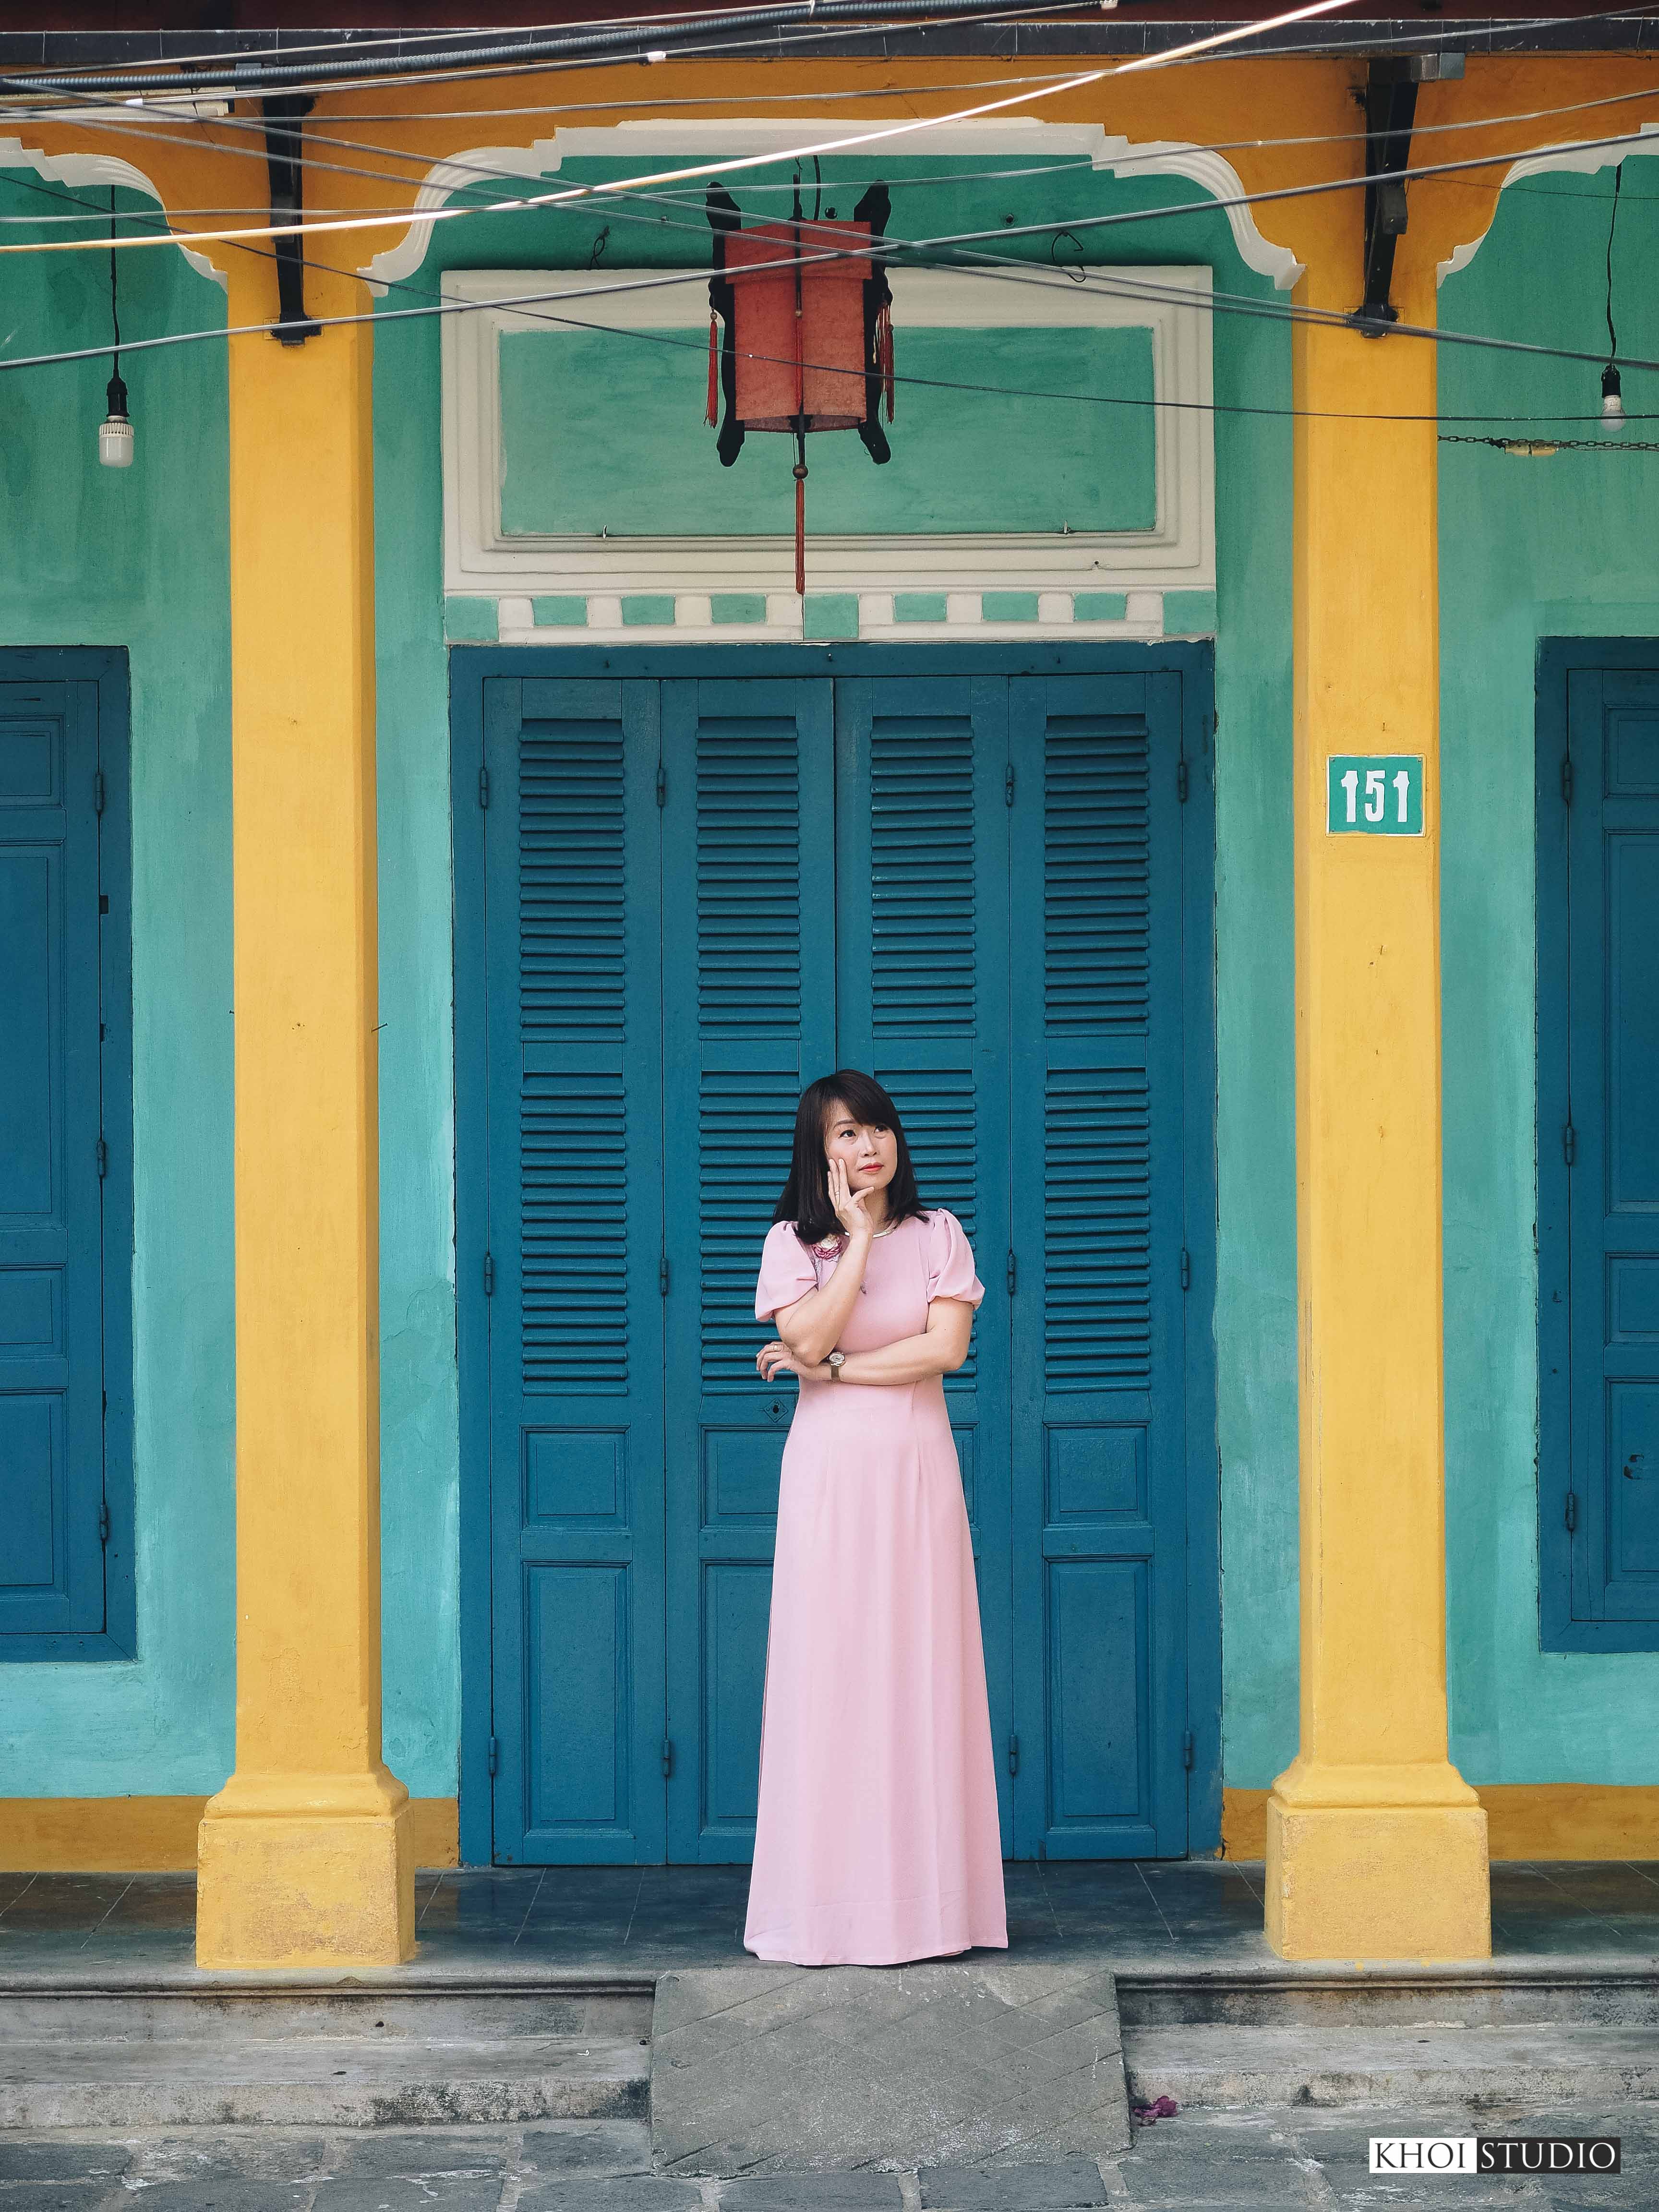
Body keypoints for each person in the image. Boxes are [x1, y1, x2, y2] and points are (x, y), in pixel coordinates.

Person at [744, 1069, 1008, 1967]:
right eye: (846, 1134)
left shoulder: (940, 1233)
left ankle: (932, 1914)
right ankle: (820, 1914)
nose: (868, 1147)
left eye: (878, 1129)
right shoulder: (792, 1242)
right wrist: (852, 1243)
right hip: (828, 1477)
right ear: (819, 1153)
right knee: (831, 1670)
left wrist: (837, 1370)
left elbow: (944, 1351)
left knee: (921, 1668)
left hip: (915, 1468)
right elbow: (807, 1333)